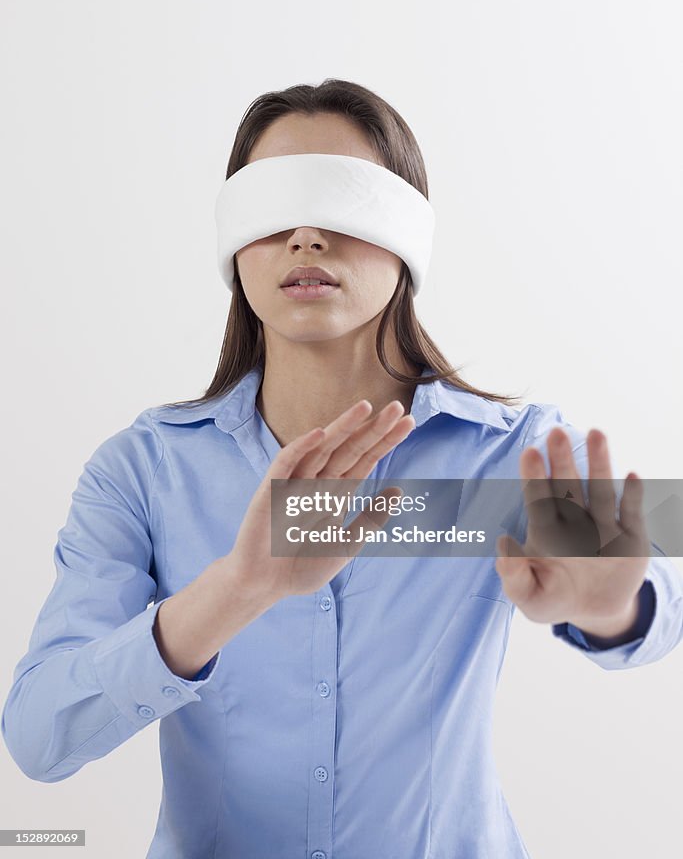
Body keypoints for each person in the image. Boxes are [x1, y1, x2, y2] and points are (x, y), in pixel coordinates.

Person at [3, 78, 682, 859]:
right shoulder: (143, 470)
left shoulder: (513, 452)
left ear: (409, 238)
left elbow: (661, 597)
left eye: (342, 202)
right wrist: (234, 591)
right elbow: (37, 738)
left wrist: (609, 605)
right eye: (272, 209)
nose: (306, 237)